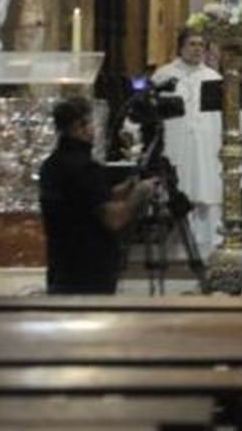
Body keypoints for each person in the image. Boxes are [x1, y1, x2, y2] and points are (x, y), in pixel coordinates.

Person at [38, 96, 156, 294]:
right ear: (79, 127)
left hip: (62, 266)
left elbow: (81, 202)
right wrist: (139, 193)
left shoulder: (51, 164)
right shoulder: (84, 168)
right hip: (89, 272)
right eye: (90, 123)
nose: (93, 129)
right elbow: (113, 219)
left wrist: (124, 189)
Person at [152, 28, 242, 256]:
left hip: (208, 145)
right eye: (192, 44)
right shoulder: (164, 75)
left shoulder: (214, 78)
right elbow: (150, 111)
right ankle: (179, 247)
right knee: (180, 191)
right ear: (181, 47)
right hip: (176, 144)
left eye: (201, 45)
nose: (197, 49)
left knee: (209, 190)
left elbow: (235, 118)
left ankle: (213, 243)